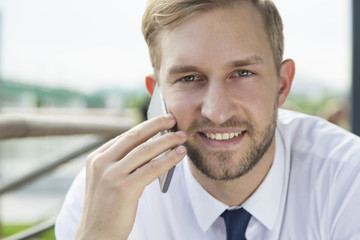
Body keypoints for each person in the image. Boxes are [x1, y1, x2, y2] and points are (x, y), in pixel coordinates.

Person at [55, 0, 360, 239]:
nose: (217, 111)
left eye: (242, 73)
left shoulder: (348, 178)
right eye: (189, 78)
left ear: (281, 84)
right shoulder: (104, 192)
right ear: (157, 95)